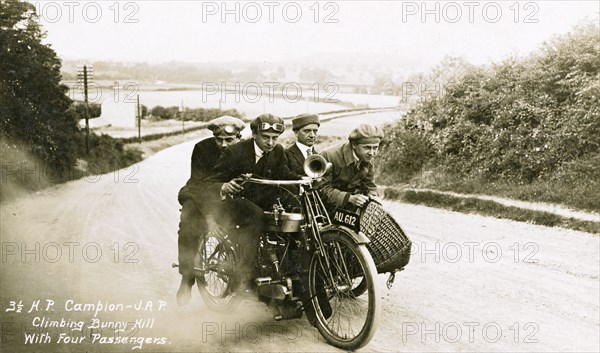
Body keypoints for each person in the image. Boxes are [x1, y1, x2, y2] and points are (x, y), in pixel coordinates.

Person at [204, 113, 296, 293]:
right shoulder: (235, 151)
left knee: (294, 215)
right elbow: (210, 182)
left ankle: (287, 271)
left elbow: (285, 176)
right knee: (255, 216)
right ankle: (243, 273)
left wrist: (308, 178)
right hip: (234, 203)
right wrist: (225, 186)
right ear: (254, 134)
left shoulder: (277, 151)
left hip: (263, 201)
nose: (270, 142)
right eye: (265, 137)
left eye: (274, 138)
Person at [176, 116, 245, 306]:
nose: (223, 144)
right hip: (199, 194)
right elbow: (198, 184)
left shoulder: (245, 150)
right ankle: (186, 278)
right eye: (219, 139)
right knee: (189, 223)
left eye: (229, 140)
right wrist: (208, 217)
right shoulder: (202, 149)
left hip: (231, 195)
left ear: (239, 137)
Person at [318, 124, 384, 211]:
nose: (372, 153)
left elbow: (369, 184)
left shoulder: (367, 157)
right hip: (324, 209)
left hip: (348, 210)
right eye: (367, 147)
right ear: (354, 145)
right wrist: (349, 198)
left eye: (375, 148)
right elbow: (321, 189)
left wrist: (372, 195)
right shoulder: (329, 156)